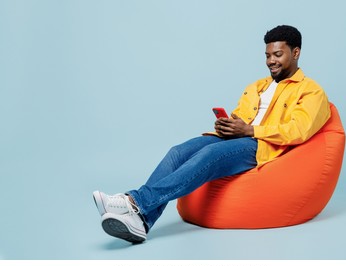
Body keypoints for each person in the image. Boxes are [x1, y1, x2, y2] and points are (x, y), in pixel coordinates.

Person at [93, 25, 331, 243]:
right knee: (178, 152)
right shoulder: (257, 86)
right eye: (267, 55)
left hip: (262, 145)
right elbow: (242, 116)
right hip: (238, 137)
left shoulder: (311, 91)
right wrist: (229, 125)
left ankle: (134, 202)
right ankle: (142, 222)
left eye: (277, 55)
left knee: (209, 154)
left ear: (296, 53)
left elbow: (299, 130)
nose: (271, 61)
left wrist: (249, 130)